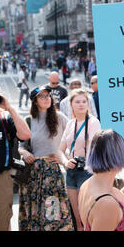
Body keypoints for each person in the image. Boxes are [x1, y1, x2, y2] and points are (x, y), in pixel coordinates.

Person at [18, 86, 73, 231]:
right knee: (33, 213)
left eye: (48, 95)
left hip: (52, 174)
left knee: (52, 213)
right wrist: (24, 153)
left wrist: (63, 158)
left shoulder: (60, 117)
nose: (47, 98)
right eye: (42, 96)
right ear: (35, 101)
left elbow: (74, 138)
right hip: (33, 174)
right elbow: (20, 146)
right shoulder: (29, 120)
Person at [0, 82, 31, 231]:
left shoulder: (6, 119)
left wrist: (9, 107)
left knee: (1, 226)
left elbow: (26, 135)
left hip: (0, 180)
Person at [59, 89, 102, 230]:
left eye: (84, 101)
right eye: (77, 102)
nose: (81, 104)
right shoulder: (71, 123)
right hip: (71, 171)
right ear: (71, 104)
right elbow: (60, 149)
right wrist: (66, 161)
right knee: (77, 216)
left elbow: (95, 150)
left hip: (87, 171)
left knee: (87, 215)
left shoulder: (93, 122)